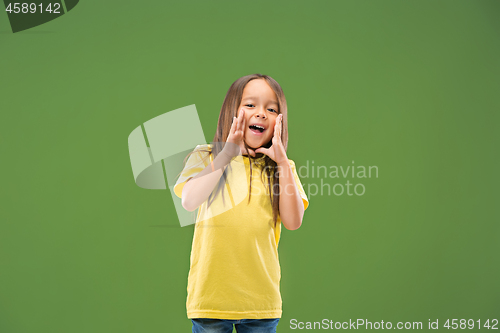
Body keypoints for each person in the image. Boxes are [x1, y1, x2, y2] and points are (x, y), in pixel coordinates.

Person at [173, 73, 309, 333]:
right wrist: (226, 154)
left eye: (271, 109)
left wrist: (282, 163)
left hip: (260, 301)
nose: (261, 114)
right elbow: (189, 201)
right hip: (211, 300)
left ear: (280, 121)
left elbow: (293, 222)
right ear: (231, 112)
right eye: (250, 105)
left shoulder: (283, 168)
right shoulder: (207, 156)